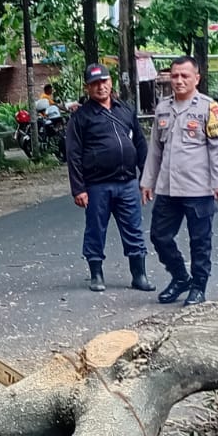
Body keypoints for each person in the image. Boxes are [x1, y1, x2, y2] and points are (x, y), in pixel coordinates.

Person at [141, 56, 218, 306]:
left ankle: (199, 286)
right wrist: (148, 181)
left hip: (198, 188)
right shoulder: (163, 107)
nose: (179, 80)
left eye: (185, 76)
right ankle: (181, 277)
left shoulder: (209, 108)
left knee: (200, 242)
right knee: (159, 236)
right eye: (175, 76)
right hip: (168, 188)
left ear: (197, 78)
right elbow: (155, 149)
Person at [64, 63, 152, 294]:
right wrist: (78, 189)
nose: (100, 87)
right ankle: (96, 275)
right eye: (94, 84)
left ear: (111, 82)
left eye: (104, 81)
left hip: (128, 183)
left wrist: (146, 178)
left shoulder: (126, 110)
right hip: (97, 186)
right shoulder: (81, 117)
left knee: (134, 229)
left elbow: (140, 144)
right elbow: (73, 154)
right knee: (95, 230)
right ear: (87, 88)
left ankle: (139, 275)